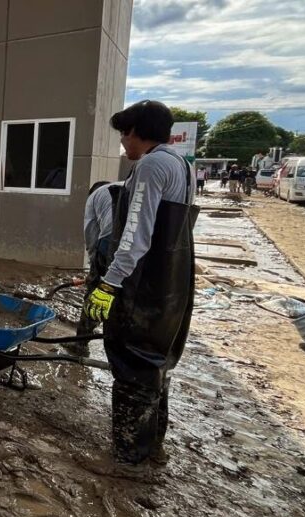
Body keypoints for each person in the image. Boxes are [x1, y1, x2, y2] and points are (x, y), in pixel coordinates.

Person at [84, 99, 197, 465]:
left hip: (141, 285)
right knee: (155, 366)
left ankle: (129, 453)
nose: (122, 143)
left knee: (133, 366)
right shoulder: (182, 164)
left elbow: (135, 237)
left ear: (137, 132)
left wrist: (108, 284)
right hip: (172, 284)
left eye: (124, 134)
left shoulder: (150, 165)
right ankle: (150, 445)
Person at [72, 179, 122, 354]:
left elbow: (92, 236)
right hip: (147, 242)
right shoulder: (126, 185)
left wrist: (94, 269)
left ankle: (80, 344)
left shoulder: (94, 197)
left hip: (111, 240)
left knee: (96, 293)